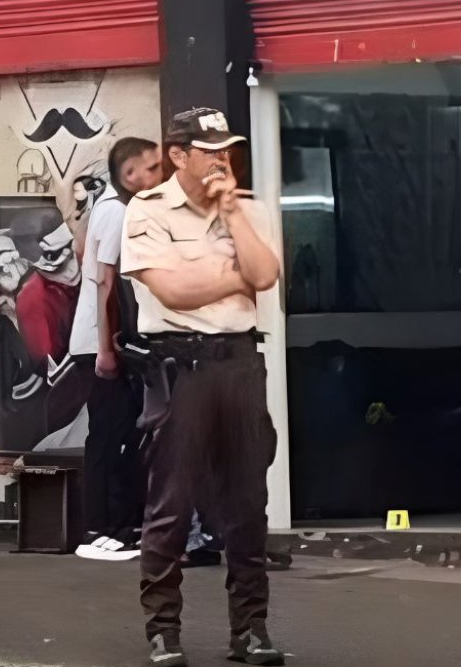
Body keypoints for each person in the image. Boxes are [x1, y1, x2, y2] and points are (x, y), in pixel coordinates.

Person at [120, 108, 283, 667]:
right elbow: (173, 292)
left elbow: (266, 275)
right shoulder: (146, 211)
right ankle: (163, 630)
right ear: (178, 155)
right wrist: (235, 278)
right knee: (171, 503)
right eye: (208, 148)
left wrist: (233, 212)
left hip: (239, 364)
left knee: (248, 504)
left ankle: (251, 630)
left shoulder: (251, 208)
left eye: (226, 147)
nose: (221, 157)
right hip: (179, 367)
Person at [69, 137, 162, 562]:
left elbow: (80, 251)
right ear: (129, 174)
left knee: (116, 434)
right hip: (103, 342)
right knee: (112, 436)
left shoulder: (106, 209)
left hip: (107, 339)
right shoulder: (117, 211)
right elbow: (106, 280)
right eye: (153, 166)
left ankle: (111, 526)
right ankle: (108, 528)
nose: (160, 174)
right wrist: (108, 348)